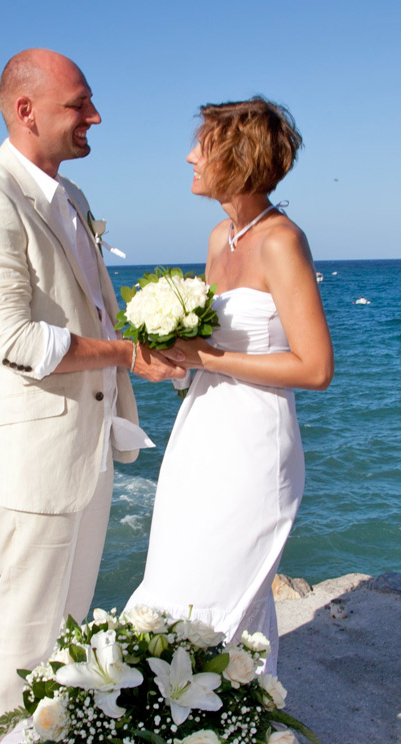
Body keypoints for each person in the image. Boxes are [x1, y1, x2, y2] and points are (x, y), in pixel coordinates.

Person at [0, 48, 185, 741]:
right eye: (79, 104)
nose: (95, 116)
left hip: (87, 449)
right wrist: (128, 356)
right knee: (24, 630)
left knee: (67, 625)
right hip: (37, 458)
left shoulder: (71, 199)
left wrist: (165, 338)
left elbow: (93, 309)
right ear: (27, 112)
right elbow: (16, 341)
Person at [126, 97, 334, 674]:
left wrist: (209, 357)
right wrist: (175, 360)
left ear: (238, 158)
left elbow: (315, 368)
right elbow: (209, 350)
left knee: (215, 589)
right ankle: (233, 714)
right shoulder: (223, 238)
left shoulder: (280, 241)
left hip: (254, 444)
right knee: (174, 576)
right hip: (200, 431)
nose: (189, 155)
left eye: (204, 145)